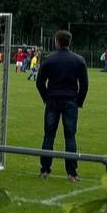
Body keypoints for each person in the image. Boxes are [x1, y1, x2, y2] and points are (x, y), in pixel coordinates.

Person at [36, 30, 88, 183]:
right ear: (69, 42)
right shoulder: (78, 60)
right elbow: (84, 85)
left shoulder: (49, 59)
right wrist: (78, 101)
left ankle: (45, 170)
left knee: (48, 135)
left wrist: (46, 97)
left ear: (57, 41)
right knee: (70, 137)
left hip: (52, 99)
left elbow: (39, 82)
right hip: (70, 100)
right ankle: (71, 173)